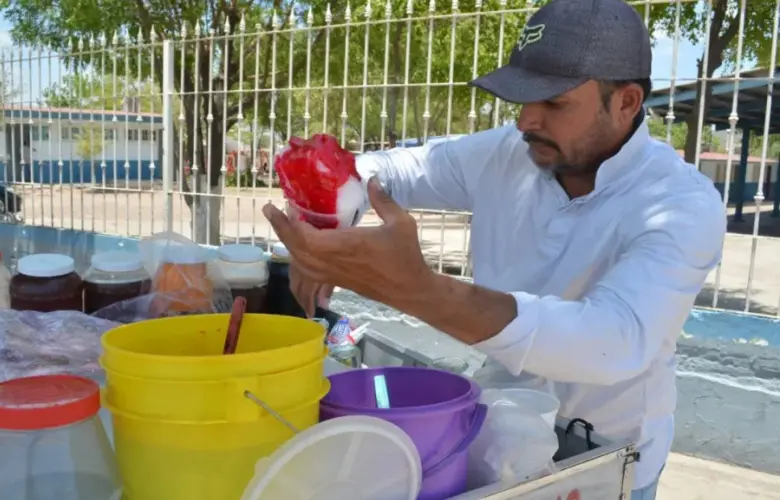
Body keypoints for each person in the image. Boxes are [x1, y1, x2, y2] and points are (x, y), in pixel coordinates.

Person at [262, 0, 726, 498]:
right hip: (498, 433)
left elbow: (613, 340)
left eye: (554, 102)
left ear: (627, 103)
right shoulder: (509, 154)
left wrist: (420, 292)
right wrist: (323, 214)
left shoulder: (680, 203)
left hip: (603, 460)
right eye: (523, 98)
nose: (527, 119)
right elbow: (391, 171)